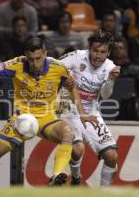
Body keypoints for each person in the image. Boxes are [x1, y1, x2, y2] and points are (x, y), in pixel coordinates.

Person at [0, 37, 98, 187]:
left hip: (46, 118)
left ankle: (56, 176)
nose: (34, 64)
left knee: (67, 133)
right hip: (21, 120)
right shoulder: (17, 65)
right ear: (25, 55)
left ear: (45, 54)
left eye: (38, 58)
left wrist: (82, 113)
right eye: (31, 59)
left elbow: (71, 87)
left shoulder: (58, 68)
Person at [57, 30, 120, 186]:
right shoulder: (77, 56)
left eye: (102, 52)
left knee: (112, 156)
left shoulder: (110, 67)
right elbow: (53, 68)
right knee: (77, 150)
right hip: (69, 108)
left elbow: (105, 96)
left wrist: (111, 80)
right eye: (95, 50)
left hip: (91, 111)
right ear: (89, 48)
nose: (98, 55)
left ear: (108, 52)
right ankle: (76, 178)